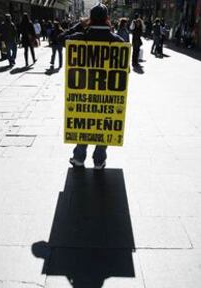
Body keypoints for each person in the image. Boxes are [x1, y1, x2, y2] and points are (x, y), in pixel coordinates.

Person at [64, 3, 125, 169]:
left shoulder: (78, 37)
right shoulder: (118, 41)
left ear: (89, 19)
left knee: (84, 122)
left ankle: (78, 157)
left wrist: (78, 25)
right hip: (108, 93)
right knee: (104, 124)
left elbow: (58, 38)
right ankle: (99, 160)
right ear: (107, 19)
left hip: (82, 91)